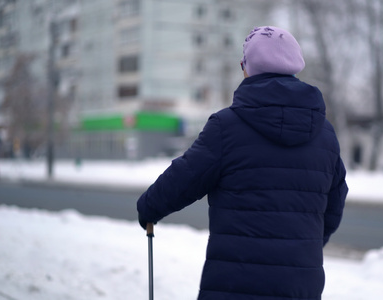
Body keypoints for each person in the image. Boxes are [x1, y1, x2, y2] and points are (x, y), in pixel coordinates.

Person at [137, 25, 348, 300]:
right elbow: (334, 204)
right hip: (300, 286)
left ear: (247, 69)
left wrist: (148, 208)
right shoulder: (325, 133)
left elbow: (184, 178)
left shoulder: (227, 127)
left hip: (235, 286)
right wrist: (303, 244)